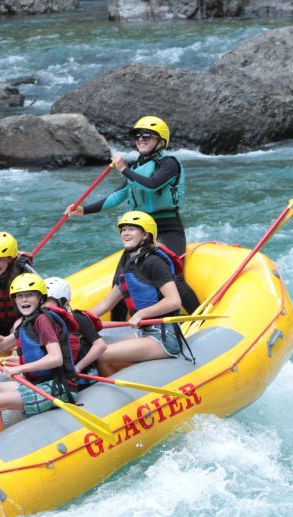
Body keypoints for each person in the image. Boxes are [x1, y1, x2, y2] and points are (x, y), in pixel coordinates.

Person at [65, 115, 187, 256]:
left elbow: (152, 185)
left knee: (173, 269)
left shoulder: (169, 163)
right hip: (141, 228)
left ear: (160, 140)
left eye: (147, 135)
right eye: (138, 136)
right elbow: (117, 196)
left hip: (167, 227)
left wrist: (124, 169)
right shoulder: (136, 168)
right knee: (129, 272)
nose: (141, 139)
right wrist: (84, 210)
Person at [89, 212, 193, 376]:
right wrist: (78, 319)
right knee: (98, 354)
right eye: (123, 230)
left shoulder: (154, 262)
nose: (126, 233)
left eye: (132, 229)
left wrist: (142, 314)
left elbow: (174, 301)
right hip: (144, 332)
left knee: (100, 355)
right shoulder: (130, 265)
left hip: (165, 336)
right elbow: (107, 303)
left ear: (145, 235)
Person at [0, 273, 79, 436]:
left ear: (40, 298)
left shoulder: (42, 321)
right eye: (20, 296)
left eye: (30, 295)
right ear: (15, 300)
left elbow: (56, 358)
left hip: (57, 387)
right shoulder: (27, 322)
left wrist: (19, 369)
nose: (24, 300)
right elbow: (2, 344)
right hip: (39, 382)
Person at [43, 276, 107, 388]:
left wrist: (78, 368)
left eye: (47, 300)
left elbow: (100, 345)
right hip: (59, 374)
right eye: (41, 300)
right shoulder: (43, 323)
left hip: (83, 374)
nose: (42, 305)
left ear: (61, 301)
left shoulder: (77, 318)